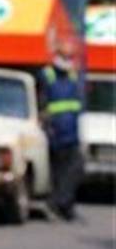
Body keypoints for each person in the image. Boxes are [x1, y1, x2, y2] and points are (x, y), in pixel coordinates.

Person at [39, 40, 84, 219]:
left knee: (73, 170)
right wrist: (46, 125)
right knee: (57, 172)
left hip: (71, 133)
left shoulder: (73, 76)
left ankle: (65, 205)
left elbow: (76, 104)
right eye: (64, 56)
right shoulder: (47, 75)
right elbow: (42, 103)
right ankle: (57, 205)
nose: (67, 60)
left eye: (70, 56)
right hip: (55, 132)